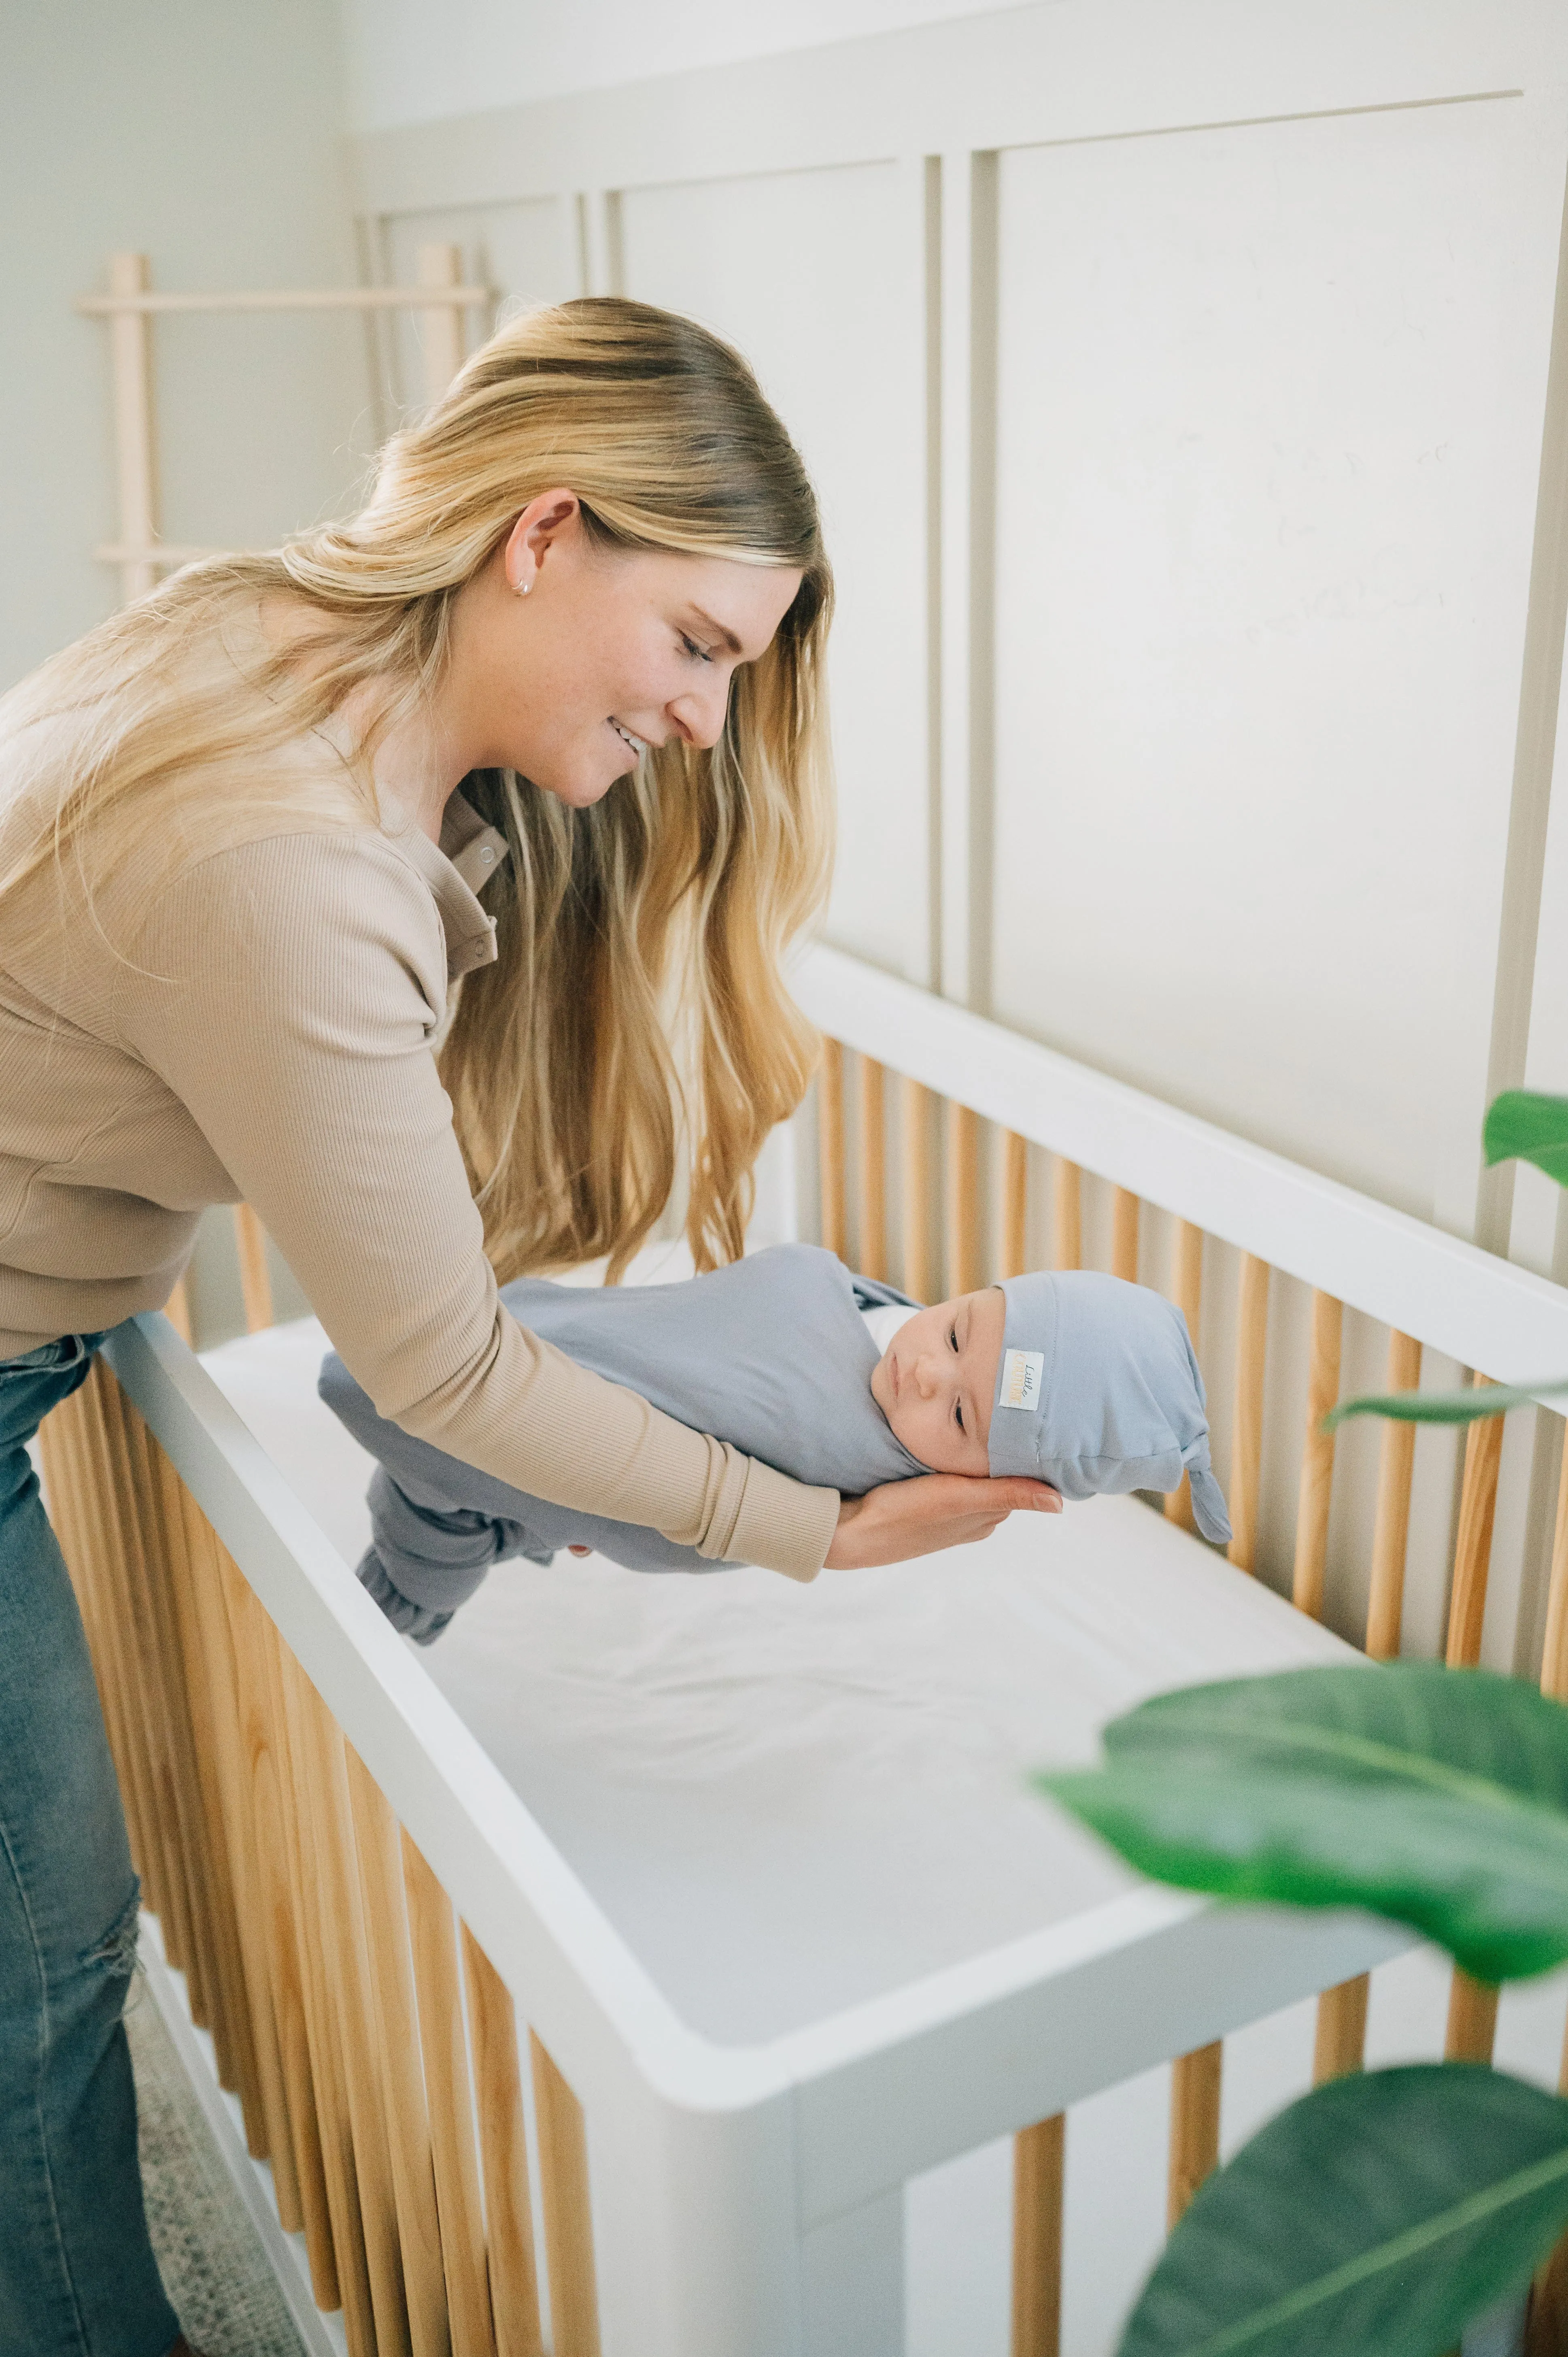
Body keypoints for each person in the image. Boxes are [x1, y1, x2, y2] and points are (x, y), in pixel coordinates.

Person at [0, 296, 1056, 2353]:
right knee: (45, 1952)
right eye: (697, 648)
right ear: (544, 528)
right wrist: (811, 1528)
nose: (705, 720)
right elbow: (448, 1378)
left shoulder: (277, 650)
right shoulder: (284, 860)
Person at [321, 1247, 1230, 1642]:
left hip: (514, 1436)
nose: (924, 1375)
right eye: (954, 1335)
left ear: (994, 1481)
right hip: (537, 1331)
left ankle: (398, 1598)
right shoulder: (881, 1316)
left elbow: (683, 1526)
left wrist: (574, 1504)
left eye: (959, 1419)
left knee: (425, 1517)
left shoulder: (849, 1459)